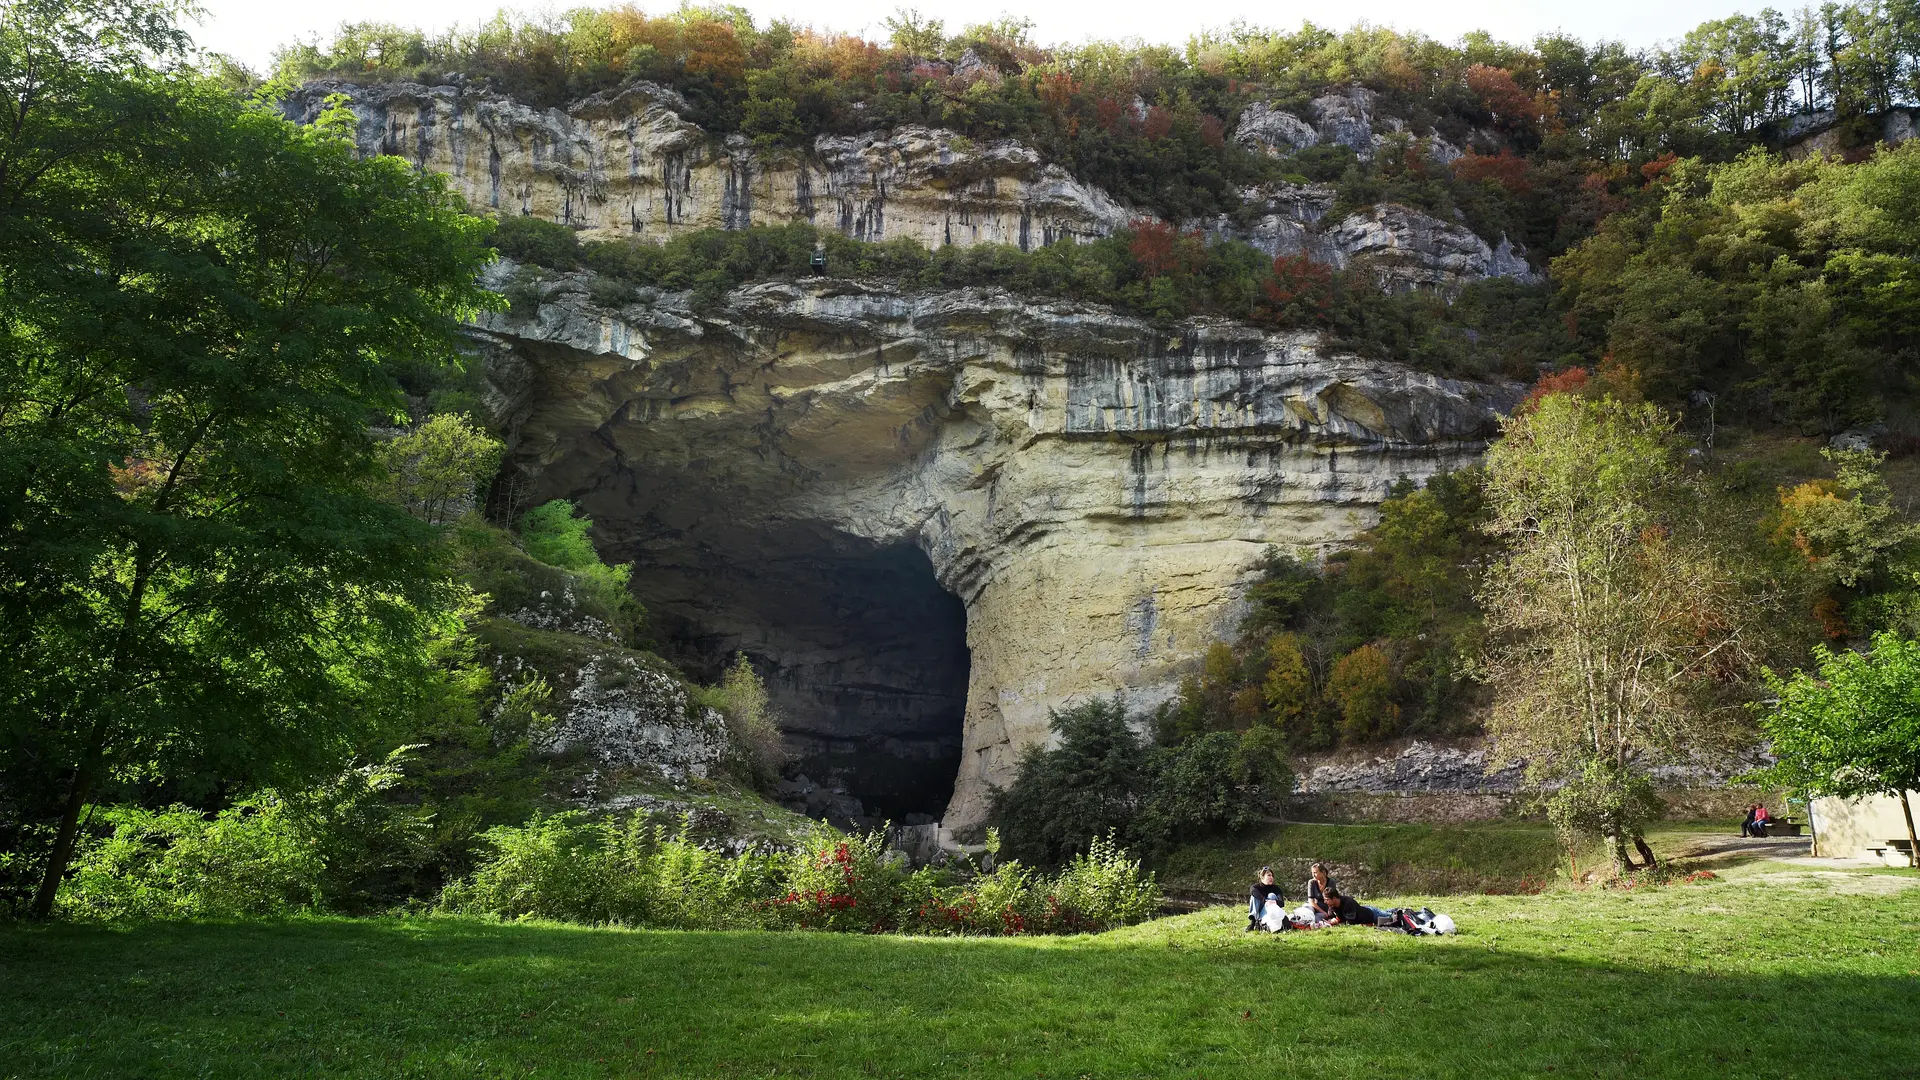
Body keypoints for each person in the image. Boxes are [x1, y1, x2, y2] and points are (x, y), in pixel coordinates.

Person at [1307, 862, 1377, 926]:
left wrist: (1335, 919)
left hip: (1369, 913)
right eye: (1312, 873)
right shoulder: (1312, 883)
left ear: (1323, 872)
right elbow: (1311, 901)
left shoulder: (1344, 901)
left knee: (1385, 915)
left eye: (1315, 872)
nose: (1313, 875)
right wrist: (1335, 919)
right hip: (1323, 908)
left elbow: (1349, 921)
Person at [1247, 866, 1287, 932]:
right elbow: (1252, 890)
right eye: (1269, 875)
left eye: (1272, 876)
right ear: (1262, 877)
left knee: (1271, 895)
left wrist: (1274, 902)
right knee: (1254, 896)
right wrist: (1265, 900)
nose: (1271, 877)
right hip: (1259, 912)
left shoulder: (1276, 888)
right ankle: (1253, 922)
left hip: (1268, 914)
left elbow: (1282, 903)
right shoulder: (1257, 886)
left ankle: (1262, 922)